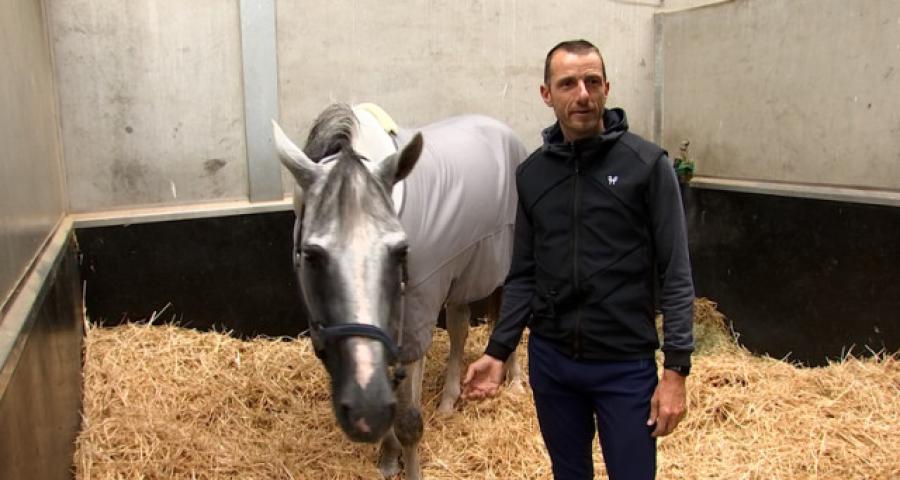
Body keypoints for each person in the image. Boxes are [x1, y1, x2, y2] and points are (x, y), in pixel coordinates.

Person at [462, 39, 695, 480]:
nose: (582, 94)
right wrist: (498, 351)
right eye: (568, 84)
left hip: (625, 366)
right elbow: (524, 274)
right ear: (547, 94)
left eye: (592, 81)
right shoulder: (533, 175)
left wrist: (676, 370)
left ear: (607, 88)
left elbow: (676, 273)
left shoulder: (647, 165)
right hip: (553, 365)